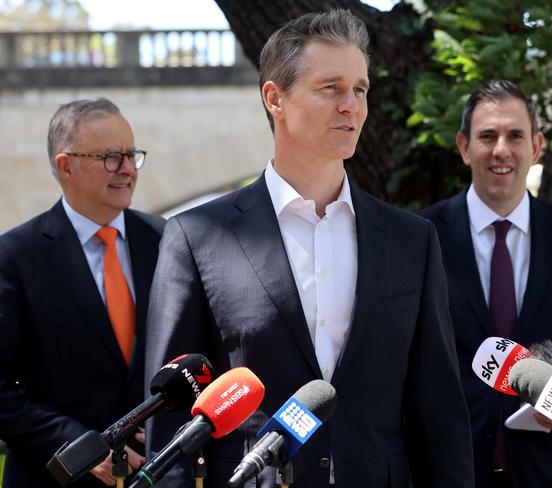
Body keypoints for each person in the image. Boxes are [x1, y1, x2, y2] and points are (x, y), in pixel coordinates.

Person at [145, 9, 473, 488]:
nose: (352, 106)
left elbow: (439, 408)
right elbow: (173, 423)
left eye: (360, 90)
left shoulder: (411, 240)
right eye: (331, 88)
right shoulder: (196, 237)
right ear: (275, 98)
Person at [419, 79, 552, 487]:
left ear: (537, 146)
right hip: (446, 469)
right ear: (464, 146)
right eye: (487, 136)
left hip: (547, 468)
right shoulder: (420, 238)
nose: (501, 149)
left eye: (515, 135)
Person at [0, 98, 166, 487]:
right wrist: (80, 447)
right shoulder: (15, 256)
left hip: (154, 474)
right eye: (110, 157)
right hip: (53, 477)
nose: (126, 168)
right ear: (66, 165)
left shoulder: (168, 241)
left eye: (131, 154)